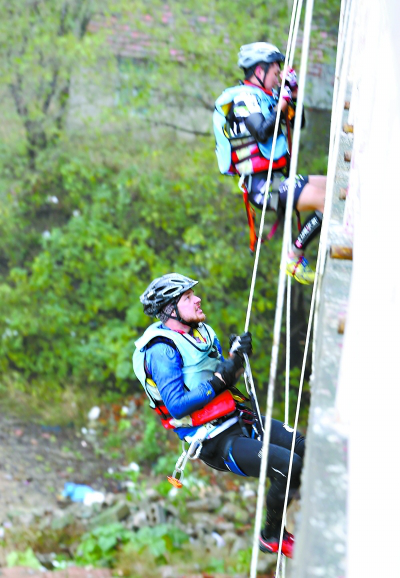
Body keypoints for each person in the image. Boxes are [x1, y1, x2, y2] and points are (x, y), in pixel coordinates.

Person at [132, 273, 305, 557]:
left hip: (238, 419)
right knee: (288, 466)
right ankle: (271, 535)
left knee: (303, 447)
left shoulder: (202, 334)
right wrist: (221, 379)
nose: (197, 299)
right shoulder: (162, 350)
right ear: (170, 310)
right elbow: (177, 405)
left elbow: (227, 380)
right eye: (188, 298)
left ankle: (300, 495)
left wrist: (237, 359)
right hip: (214, 440)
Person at [213, 42, 326, 285]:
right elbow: (263, 132)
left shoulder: (267, 97)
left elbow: (299, 123)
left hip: (278, 179)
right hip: (263, 188)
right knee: (327, 201)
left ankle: (296, 253)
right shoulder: (244, 101)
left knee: (335, 188)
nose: (277, 80)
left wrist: (292, 94)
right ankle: (294, 256)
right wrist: (282, 102)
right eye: (275, 74)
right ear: (259, 71)